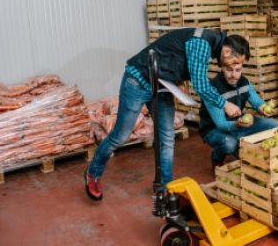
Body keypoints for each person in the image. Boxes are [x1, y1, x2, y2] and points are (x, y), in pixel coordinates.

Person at [84, 28, 249, 201]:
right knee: (121, 134)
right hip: (137, 81)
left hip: (162, 83)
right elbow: (201, 85)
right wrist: (225, 105)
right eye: (235, 60)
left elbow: (173, 56)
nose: (234, 65)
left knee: (167, 136)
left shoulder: (210, 46)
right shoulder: (202, 44)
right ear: (227, 51)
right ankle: (93, 172)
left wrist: (178, 80)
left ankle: (164, 187)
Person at [198, 49, 278, 168]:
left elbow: (256, 100)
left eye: (238, 70)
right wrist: (238, 124)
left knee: (274, 124)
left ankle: (244, 148)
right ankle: (216, 157)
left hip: (239, 123)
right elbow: (220, 123)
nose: (234, 75)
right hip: (214, 129)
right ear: (222, 68)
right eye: (229, 70)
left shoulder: (244, 82)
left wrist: (262, 107)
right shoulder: (213, 89)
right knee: (229, 143)